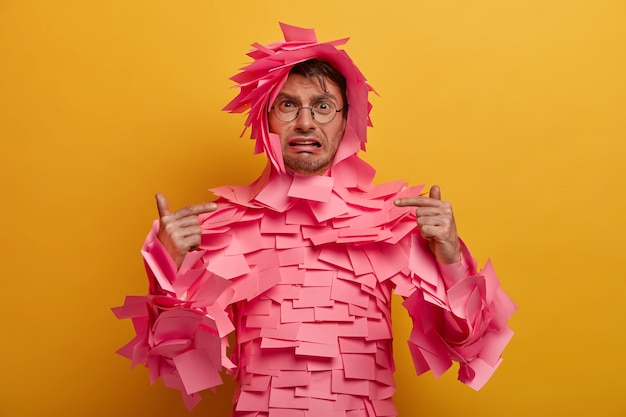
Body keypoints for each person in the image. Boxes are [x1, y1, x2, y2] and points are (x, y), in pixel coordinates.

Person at [114, 23, 516, 417]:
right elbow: (176, 359)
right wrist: (166, 270)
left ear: (345, 121)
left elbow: (467, 345)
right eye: (288, 105)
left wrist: (450, 258)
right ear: (265, 119)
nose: (305, 122)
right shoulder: (223, 226)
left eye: (322, 107)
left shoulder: (390, 220)